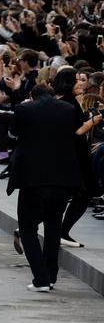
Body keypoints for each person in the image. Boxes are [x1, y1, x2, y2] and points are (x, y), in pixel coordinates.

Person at [8, 83, 83, 292]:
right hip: (61, 179)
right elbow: (75, 134)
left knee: (28, 229)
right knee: (53, 228)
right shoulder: (68, 109)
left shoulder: (24, 109)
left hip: (32, 179)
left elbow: (12, 135)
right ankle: (51, 275)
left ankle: (40, 278)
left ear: (32, 96)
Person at [53, 67, 102, 247]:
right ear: (68, 83)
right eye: (77, 80)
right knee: (79, 194)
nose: (81, 83)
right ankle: (58, 231)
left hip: (75, 155)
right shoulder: (69, 103)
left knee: (77, 194)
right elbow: (77, 131)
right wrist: (94, 121)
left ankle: (60, 231)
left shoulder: (68, 101)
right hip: (75, 157)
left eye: (82, 80)